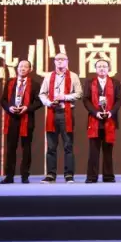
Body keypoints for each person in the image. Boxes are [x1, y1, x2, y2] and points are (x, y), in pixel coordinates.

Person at [39, 53, 83, 183]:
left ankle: (68, 174)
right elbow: (42, 94)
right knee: (51, 146)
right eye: (57, 59)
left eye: (62, 59)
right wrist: (48, 103)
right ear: (54, 62)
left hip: (66, 113)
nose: (60, 61)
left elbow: (79, 93)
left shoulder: (73, 76)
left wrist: (65, 97)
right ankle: (51, 174)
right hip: (52, 112)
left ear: (67, 61)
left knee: (68, 145)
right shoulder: (48, 76)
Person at [0, 59, 42, 184]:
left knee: (26, 148)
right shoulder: (10, 83)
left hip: (27, 119)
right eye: (20, 66)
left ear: (30, 69)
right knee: (11, 148)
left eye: (25, 67)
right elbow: (3, 100)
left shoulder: (35, 84)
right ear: (17, 68)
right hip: (12, 119)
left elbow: (39, 102)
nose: (22, 68)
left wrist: (27, 108)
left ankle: (25, 175)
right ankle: (9, 176)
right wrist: (9, 108)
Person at [83, 60, 121, 183]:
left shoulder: (115, 83)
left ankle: (108, 176)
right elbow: (86, 99)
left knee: (108, 151)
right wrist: (95, 112)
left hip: (110, 120)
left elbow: (119, 100)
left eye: (104, 66)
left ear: (108, 68)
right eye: (99, 66)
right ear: (95, 69)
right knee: (93, 151)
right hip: (95, 120)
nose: (102, 68)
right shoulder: (89, 82)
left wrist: (111, 112)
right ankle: (91, 177)